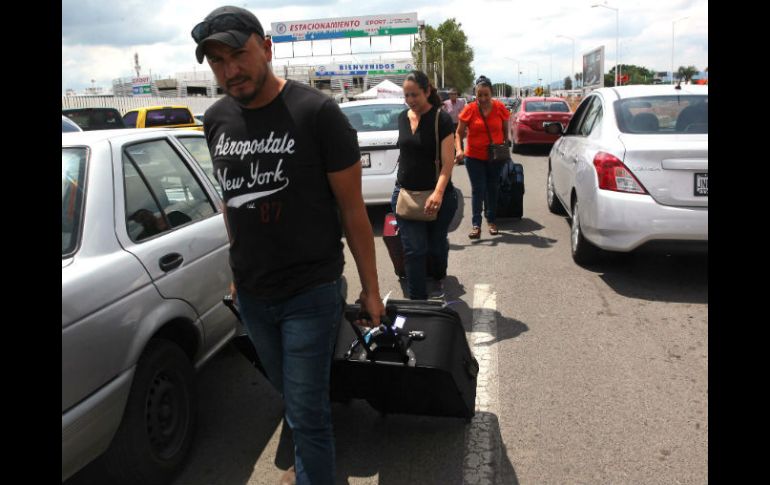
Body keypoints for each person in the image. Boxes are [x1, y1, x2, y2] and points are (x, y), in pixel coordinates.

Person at [191, 6, 384, 485]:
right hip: (254, 296)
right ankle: (307, 462)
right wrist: (237, 273)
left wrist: (371, 288)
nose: (229, 70)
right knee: (292, 394)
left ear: (267, 48)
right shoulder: (215, 120)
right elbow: (232, 203)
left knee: (308, 412)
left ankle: (312, 471)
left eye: (238, 54)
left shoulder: (317, 113)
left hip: (310, 291)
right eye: (216, 62)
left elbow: (353, 210)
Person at [391, 70, 457, 300]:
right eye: (406, 95)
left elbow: (448, 162)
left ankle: (439, 275)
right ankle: (418, 304)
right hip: (406, 195)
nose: (410, 100)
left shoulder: (442, 119)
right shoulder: (401, 117)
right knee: (414, 251)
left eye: (415, 95)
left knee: (435, 246)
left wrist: (438, 193)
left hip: (438, 197)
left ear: (427, 91)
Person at [455, 75, 511, 239]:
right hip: (474, 157)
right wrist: (459, 150)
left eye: (486, 94)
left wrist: (504, 146)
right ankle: (476, 225)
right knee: (478, 190)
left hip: (495, 157)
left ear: (491, 93)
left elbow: (505, 130)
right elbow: (458, 133)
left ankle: (491, 221)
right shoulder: (470, 109)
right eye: (480, 95)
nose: (483, 98)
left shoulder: (500, 108)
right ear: (475, 94)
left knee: (493, 188)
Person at [442, 87, 467, 159]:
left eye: (454, 94)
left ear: (457, 95)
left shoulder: (461, 102)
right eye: (450, 94)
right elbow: (443, 113)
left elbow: (464, 112)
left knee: (459, 139)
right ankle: (454, 155)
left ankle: (461, 156)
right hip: (450, 124)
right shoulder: (446, 103)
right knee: (451, 140)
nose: (452, 96)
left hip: (459, 123)